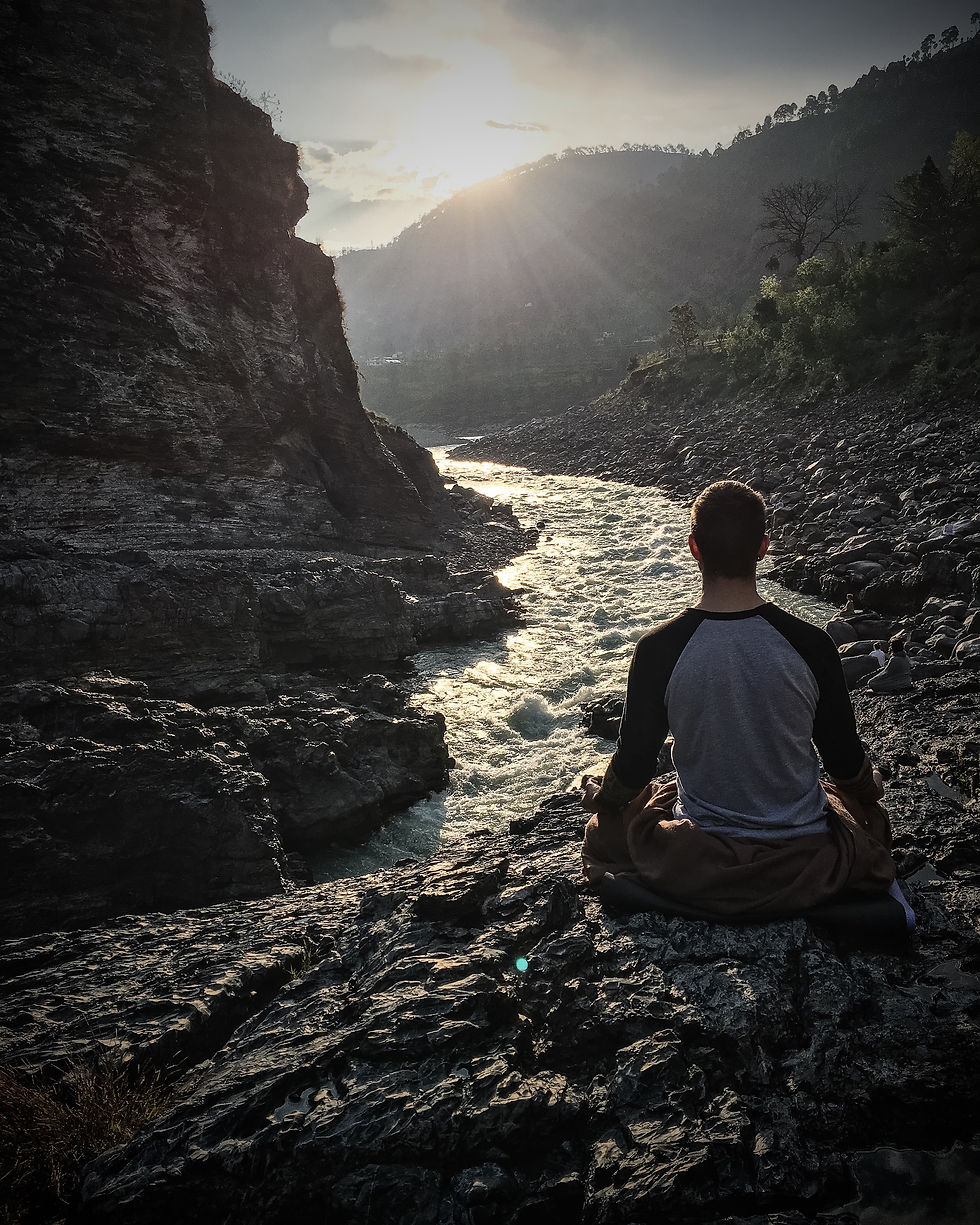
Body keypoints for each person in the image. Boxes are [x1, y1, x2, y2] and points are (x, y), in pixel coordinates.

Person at [581, 480, 895, 918]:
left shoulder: (658, 649)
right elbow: (844, 762)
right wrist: (870, 788)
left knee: (606, 828)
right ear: (763, 547)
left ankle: (695, 894)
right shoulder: (812, 644)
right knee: (870, 819)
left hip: (699, 849)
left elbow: (633, 767)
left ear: (694, 547)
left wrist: (603, 798)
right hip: (802, 846)